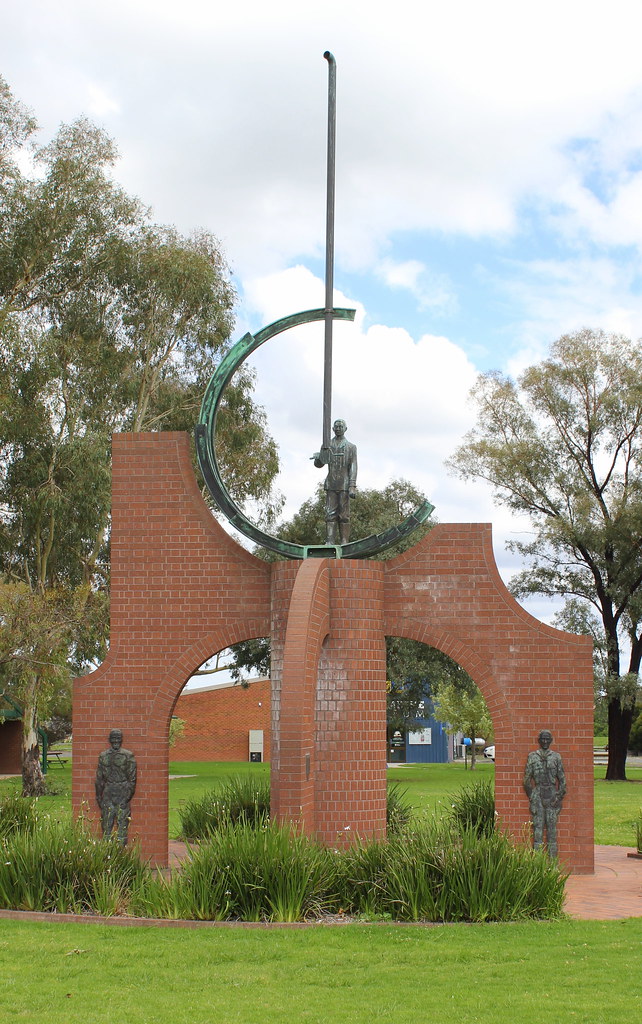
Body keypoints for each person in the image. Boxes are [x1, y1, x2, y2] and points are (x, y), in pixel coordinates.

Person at [312, 419, 358, 545]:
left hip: (344, 484)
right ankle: (330, 540)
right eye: (336, 426)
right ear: (332, 429)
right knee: (330, 513)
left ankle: (344, 541)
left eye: (341, 426)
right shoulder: (327, 445)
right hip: (331, 484)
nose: (338, 428)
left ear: (345, 428)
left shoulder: (351, 447)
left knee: (344, 515)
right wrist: (319, 457)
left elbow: (353, 466)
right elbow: (319, 464)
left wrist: (352, 486)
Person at [523, 729, 566, 858]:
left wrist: (557, 797)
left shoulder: (556, 757)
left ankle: (553, 865)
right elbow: (526, 780)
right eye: (543, 739)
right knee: (537, 830)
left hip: (552, 795)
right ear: (539, 740)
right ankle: (537, 864)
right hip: (538, 794)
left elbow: (562, 780)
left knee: (552, 831)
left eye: (547, 739)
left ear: (551, 740)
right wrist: (532, 796)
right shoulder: (532, 757)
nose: (545, 741)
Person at [95, 729, 137, 845]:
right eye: (113, 738)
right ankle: (107, 856)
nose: (115, 741)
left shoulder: (128, 756)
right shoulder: (103, 756)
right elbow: (99, 778)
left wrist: (128, 796)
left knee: (122, 825)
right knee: (106, 825)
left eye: (118, 738)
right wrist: (99, 796)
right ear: (109, 740)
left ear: (121, 740)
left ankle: (121, 856)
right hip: (108, 791)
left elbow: (132, 778)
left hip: (122, 790)